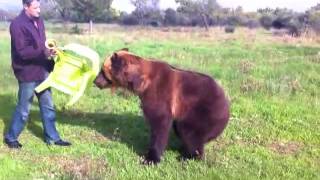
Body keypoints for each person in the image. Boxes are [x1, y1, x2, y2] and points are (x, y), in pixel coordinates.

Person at [4, 0, 71, 148]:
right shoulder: (17, 24)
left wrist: (51, 50)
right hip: (27, 72)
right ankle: (11, 137)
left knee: (48, 105)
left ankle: (52, 138)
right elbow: (22, 52)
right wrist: (43, 52)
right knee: (24, 109)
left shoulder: (39, 21)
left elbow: (42, 44)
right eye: (35, 7)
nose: (39, 10)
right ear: (25, 7)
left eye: (39, 6)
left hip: (43, 69)